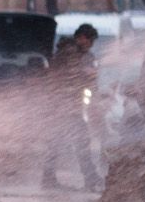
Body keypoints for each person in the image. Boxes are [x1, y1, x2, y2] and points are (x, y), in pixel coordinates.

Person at [43, 22, 103, 189]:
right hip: (63, 106)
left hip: (67, 107)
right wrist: (87, 76)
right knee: (80, 140)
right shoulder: (69, 53)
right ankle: (90, 178)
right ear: (82, 37)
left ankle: (48, 178)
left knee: (58, 142)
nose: (91, 45)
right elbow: (72, 77)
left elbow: (88, 81)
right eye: (90, 41)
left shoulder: (82, 54)